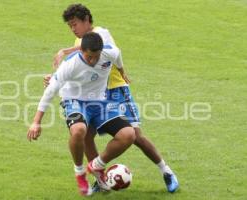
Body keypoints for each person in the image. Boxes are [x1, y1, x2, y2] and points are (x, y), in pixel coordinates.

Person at [46, 4, 179, 193]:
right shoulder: (80, 41)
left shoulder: (101, 33)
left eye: (74, 24)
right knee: (86, 137)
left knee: (135, 136)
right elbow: (76, 68)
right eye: (70, 26)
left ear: (86, 20)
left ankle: (166, 172)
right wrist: (53, 78)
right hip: (94, 95)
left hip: (116, 90)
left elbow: (102, 49)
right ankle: (100, 179)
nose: (73, 29)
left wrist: (65, 50)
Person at [27, 32, 136, 196]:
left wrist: (122, 71)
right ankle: (80, 173)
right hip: (75, 101)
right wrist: (36, 122)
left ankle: (95, 165)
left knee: (129, 134)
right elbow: (49, 92)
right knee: (78, 130)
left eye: (96, 57)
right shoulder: (70, 64)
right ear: (81, 51)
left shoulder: (109, 52)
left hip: (100, 101)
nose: (92, 61)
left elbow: (118, 55)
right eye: (88, 57)